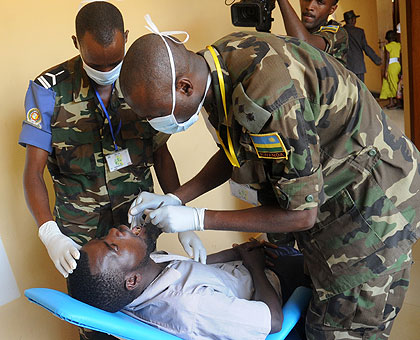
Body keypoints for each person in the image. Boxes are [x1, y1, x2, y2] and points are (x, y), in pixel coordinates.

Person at [119, 22, 420, 339]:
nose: (157, 124)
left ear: (184, 88)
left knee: (339, 330)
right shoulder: (215, 67)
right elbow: (237, 150)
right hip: (331, 198)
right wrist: (178, 198)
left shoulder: (266, 94)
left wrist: (197, 219)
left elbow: (302, 214)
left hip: (372, 209)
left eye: (156, 114)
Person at [18, 3, 205, 339]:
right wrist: (49, 233)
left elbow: (162, 153)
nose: (106, 70)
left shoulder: (143, 79)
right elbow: (33, 171)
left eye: (114, 62)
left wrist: (182, 212)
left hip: (136, 225)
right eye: (96, 63)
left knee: (151, 309)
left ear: (127, 40)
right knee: (95, 325)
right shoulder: (47, 90)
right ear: (77, 42)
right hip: (80, 234)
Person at [68, 224, 304, 340]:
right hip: (279, 287)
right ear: (132, 280)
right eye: (114, 247)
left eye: (103, 237)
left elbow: (189, 269)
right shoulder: (192, 308)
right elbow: (273, 321)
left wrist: (241, 253)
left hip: (247, 268)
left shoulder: (144, 276)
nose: (113, 231)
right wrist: (256, 267)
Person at [276, 0, 348, 65]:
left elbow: (303, 44)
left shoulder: (338, 33)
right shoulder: (296, 31)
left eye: (320, 2)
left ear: (332, 9)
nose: (309, 7)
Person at [342, 10, 382, 82]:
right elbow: (365, 47)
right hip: (359, 66)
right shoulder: (359, 32)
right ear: (352, 20)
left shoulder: (341, 31)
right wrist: (377, 60)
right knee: (360, 89)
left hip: (346, 65)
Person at [379, 30, 402, 109]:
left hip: (391, 67)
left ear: (387, 38)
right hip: (397, 65)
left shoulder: (387, 46)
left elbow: (387, 59)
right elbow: (400, 58)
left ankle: (397, 103)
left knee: (391, 84)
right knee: (392, 83)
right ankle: (392, 102)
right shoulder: (399, 45)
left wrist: (385, 71)